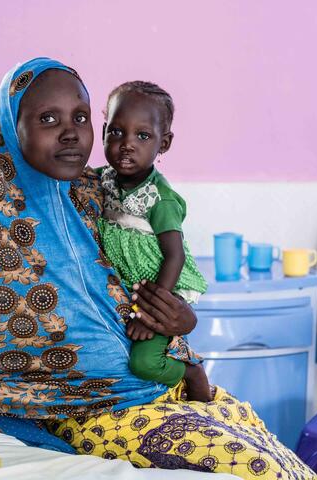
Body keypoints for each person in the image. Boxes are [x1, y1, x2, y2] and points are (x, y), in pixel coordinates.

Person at [0, 58, 317, 480]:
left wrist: (183, 320)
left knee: (279, 459)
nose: (71, 134)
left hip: (160, 377)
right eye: (49, 120)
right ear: (11, 128)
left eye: (81, 118)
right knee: (254, 467)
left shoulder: (97, 195)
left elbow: (142, 284)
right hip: (87, 405)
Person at [96, 81, 210, 402]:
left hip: (158, 290)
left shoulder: (159, 199)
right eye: (116, 132)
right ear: (104, 131)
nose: (127, 145)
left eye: (143, 136)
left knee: (144, 363)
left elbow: (174, 256)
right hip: (123, 288)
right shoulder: (103, 180)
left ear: (165, 143)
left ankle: (190, 370)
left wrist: (150, 314)